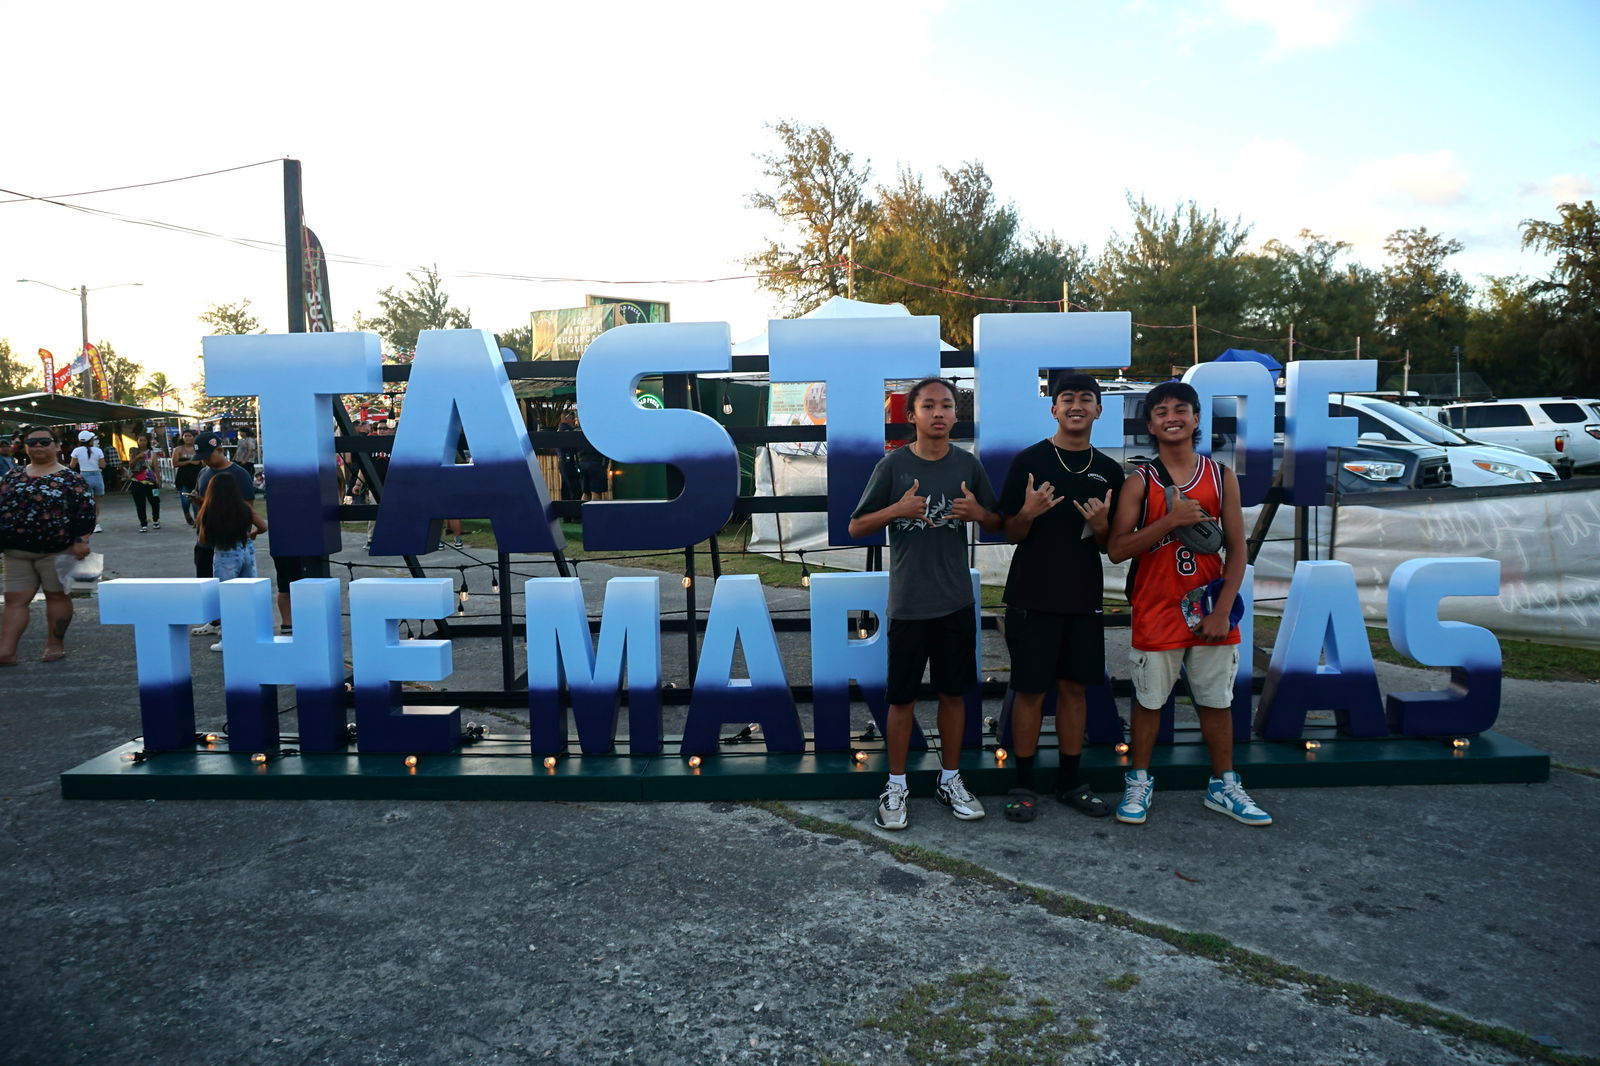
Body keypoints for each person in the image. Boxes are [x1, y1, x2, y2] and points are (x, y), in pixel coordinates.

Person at [1106, 380, 1270, 827]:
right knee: (1149, 700)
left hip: (1210, 606)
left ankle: (1224, 784)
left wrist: (1223, 609)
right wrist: (1170, 520)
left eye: (1181, 409)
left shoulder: (1221, 476)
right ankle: (1139, 779)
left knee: (1217, 701)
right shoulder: (1141, 480)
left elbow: (1237, 549)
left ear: (1197, 419)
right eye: (1161, 411)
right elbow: (1117, 549)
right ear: (1150, 424)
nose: (1171, 416)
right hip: (1157, 605)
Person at [848, 377, 1003, 830]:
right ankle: (896, 785)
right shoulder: (892, 466)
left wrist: (980, 516)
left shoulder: (968, 465)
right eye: (929, 406)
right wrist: (896, 510)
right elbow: (857, 527)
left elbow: (997, 520)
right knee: (902, 699)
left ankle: (949, 779)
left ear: (956, 415)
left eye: (947, 406)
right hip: (908, 605)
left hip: (955, 601)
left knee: (954, 695)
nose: (939, 413)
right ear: (910, 415)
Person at [996, 372, 1124, 822]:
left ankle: (1071, 781)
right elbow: (1010, 533)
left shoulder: (1110, 471)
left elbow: (1112, 547)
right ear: (1053, 409)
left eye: (1085, 399)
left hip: (1083, 598)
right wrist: (1027, 514)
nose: (1076, 405)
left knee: (1074, 691)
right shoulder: (1028, 462)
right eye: (1066, 398)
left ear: (1098, 410)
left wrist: (1105, 524)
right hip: (1032, 596)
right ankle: (1023, 782)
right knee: (1029, 691)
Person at [0, 426, 96, 665]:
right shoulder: (13, 475)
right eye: (32, 443)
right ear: (24, 447)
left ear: (56, 446)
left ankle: (55, 644)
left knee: (58, 597)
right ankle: (6, 650)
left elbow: (85, 512)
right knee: (14, 600)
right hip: (16, 551)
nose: (38, 446)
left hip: (58, 550)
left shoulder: (71, 478)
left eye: (45, 442)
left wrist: (82, 540)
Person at [187, 435, 257, 638]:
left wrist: (244, 534)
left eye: (208, 455)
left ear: (220, 449)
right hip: (206, 536)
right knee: (205, 580)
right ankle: (215, 621)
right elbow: (209, 504)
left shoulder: (239, 474)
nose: (205, 460)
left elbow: (247, 508)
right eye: (202, 457)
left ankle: (232, 625)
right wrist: (198, 501)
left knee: (230, 585)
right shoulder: (203, 473)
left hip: (229, 541)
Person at [195, 471, 268, 652]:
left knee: (227, 599)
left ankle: (228, 640)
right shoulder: (243, 507)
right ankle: (254, 635)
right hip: (246, 551)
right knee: (250, 595)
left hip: (225, 554)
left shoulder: (210, 509)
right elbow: (263, 526)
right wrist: (250, 534)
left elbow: (203, 540)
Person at [69, 430, 107, 532]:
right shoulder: (98, 450)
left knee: (86, 502)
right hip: (97, 475)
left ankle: (86, 523)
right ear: (90, 440)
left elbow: (72, 465)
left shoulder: (76, 450)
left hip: (84, 476)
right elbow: (103, 465)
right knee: (97, 502)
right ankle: (96, 524)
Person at [127, 437, 163, 532]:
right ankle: (143, 524)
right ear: (137, 442)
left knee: (155, 501)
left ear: (147, 442)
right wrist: (138, 457)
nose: (142, 442)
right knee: (140, 504)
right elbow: (130, 465)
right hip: (137, 482)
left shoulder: (152, 454)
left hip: (151, 482)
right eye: (140, 440)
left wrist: (158, 479)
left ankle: (156, 520)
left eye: (144, 440)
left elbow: (156, 467)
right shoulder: (133, 452)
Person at [172, 430, 202, 526]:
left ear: (194, 437)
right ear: (182, 437)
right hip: (183, 478)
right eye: (185, 436)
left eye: (190, 436)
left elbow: (204, 462)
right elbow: (175, 463)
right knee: (185, 501)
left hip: (196, 478)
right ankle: (187, 514)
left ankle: (197, 521)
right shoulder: (178, 449)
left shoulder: (198, 449)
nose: (188, 438)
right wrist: (189, 461)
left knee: (195, 500)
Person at [555, 409, 582, 502]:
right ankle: (575, 512)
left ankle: (567, 514)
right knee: (574, 487)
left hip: (564, 461)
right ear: (566, 419)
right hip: (568, 461)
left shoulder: (562, 429)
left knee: (566, 487)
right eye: (572, 418)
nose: (574, 420)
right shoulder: (565, 430)